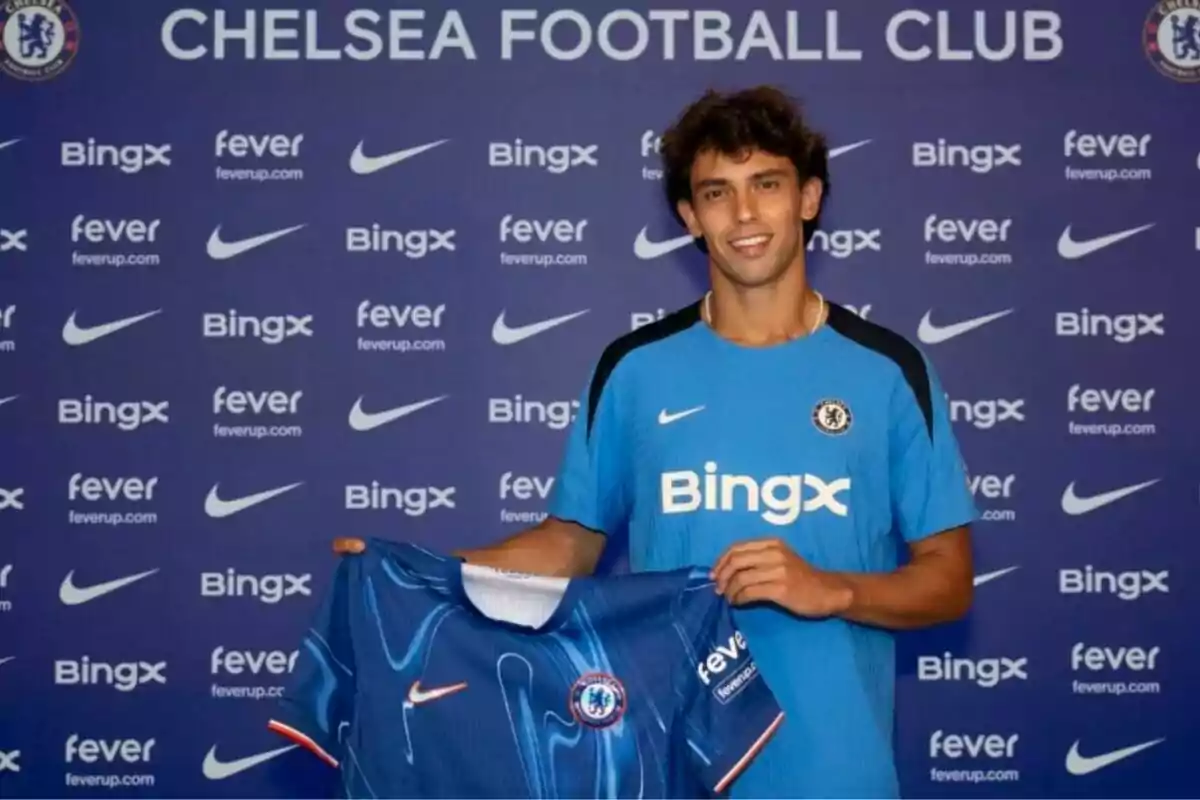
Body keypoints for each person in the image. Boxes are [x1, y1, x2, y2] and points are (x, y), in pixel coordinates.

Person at [335, 85, 977, 799]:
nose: (744, 215)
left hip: (837, 774)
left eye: (766, 184)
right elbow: (568, 546)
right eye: (716, 193)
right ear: (689, 217)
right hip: (669, 770)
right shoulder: (635, 369)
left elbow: (947, 581)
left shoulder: (888, 370)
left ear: (809, 198)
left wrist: (833, 589)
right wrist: (415, 570)